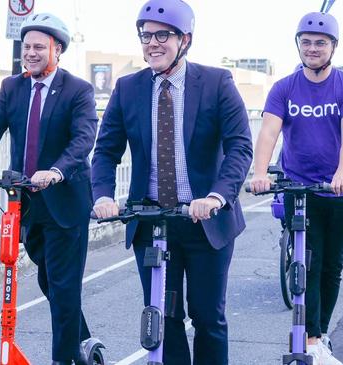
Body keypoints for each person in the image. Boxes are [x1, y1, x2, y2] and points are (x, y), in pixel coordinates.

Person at [91, 1, 253, 363]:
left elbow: (240, 145)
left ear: (186, 39)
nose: (152, 43)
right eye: (146, 35)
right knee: (165, 317)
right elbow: (105, 151)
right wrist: (102, 195)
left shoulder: (216, 82)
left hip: (204, 220)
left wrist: (216, 196)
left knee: (208, 317)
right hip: (151, 222)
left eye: (162, 35)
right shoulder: (128, 87)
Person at [0, 13, 99, 365]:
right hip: (27, 203)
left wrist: (56, 171)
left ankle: (63, 359)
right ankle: (82, 342)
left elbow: (83, 139)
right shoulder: (13, 87)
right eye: (27, 47)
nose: (32, 53)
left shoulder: (77, 90)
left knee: (64, 285)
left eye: (40, 46)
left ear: (58, 50)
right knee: (49, 282)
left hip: (65, 202)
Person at [249, 11, 343, 365]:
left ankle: (321, 335)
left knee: (333, 267)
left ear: (333, 47)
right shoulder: (284, 88)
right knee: (310, 264)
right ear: (298, 46)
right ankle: (311, 338)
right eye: (306, 42)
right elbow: (269, 132)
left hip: (340, 191)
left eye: (320, 43)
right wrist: (259, 173)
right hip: (300, 192)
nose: (312, 48)